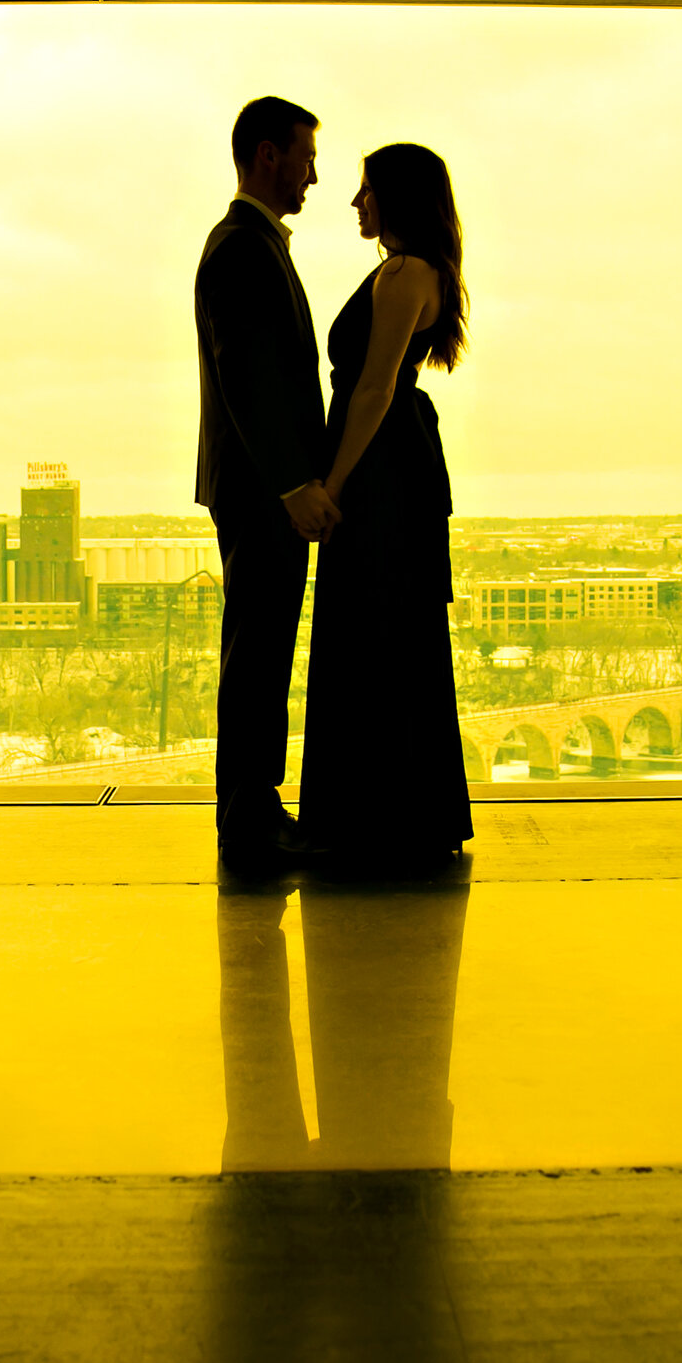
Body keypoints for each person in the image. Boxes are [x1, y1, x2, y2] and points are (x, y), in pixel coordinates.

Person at [297, 143, 475, 865]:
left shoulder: (403, 273)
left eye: (366, 189)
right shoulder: (412, 271)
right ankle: (400, 815)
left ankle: (367, 821)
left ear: (397, 198)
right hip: (394, 463)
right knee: (391, 632)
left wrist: (330, 486)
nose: (354, 201)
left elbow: (371, 389)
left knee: (368, 629)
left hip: (377, 472)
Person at [194, 96, 341, 867]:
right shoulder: (243, 249)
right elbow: (248, 376)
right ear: (266, 154)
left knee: (260, 653)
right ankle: (249, 821)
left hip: (258, 490)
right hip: (261, 494)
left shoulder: (250, 245)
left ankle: (253, 810)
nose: (314, 175)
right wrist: (293, 485)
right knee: (257, 658)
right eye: (306, 156)